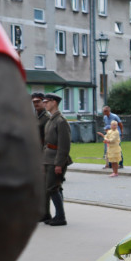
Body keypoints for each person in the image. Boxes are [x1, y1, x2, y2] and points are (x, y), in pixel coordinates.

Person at [41, 93, 71, 226]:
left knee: (53, 188)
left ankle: (61, 217)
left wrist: (59, 163)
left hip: (56, 159)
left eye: (47, 101)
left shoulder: (61, 121)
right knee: (51, 188)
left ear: (54, 102)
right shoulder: (51, 120)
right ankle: (55, 215)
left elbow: (64, 145)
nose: (44, 104)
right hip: (48, 158)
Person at [100, 105, 123, 169]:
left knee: (117, 149)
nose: (104, 112)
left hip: (116, 135)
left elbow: (120, 124)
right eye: (103, 111)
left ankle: (120, 163)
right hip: (109, 134)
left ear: (109, 111)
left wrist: (122, 133)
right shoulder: (105, 117)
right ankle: (109, 164)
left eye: (106, 111)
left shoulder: (114, 116)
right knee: (108, 149)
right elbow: (107, 125)